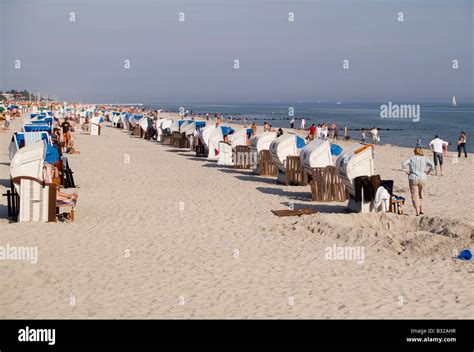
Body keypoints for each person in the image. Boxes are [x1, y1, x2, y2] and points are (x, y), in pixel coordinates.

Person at [402, 147, 434, 216]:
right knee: (421, 194)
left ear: (415, 152)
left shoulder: (412, 158)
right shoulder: (425, 158)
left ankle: (417, 212)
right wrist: (428, 171)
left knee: (414, 195)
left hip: (413, 178)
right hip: (423, 178)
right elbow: (432, 165)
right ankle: (422, 210)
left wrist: (406, 171)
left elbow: (403, 163)